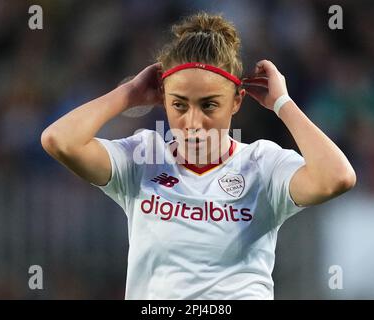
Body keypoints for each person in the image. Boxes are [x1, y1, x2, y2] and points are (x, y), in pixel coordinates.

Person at [41, 12, 356, 299]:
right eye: (179, 104)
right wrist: (129, 94)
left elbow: (337, 177)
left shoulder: (262, 164)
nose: (192, 122)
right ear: (163, 99)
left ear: (236, 102)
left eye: (209, 105)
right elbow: (59, 140)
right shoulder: (143, 158)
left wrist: (282, 104)